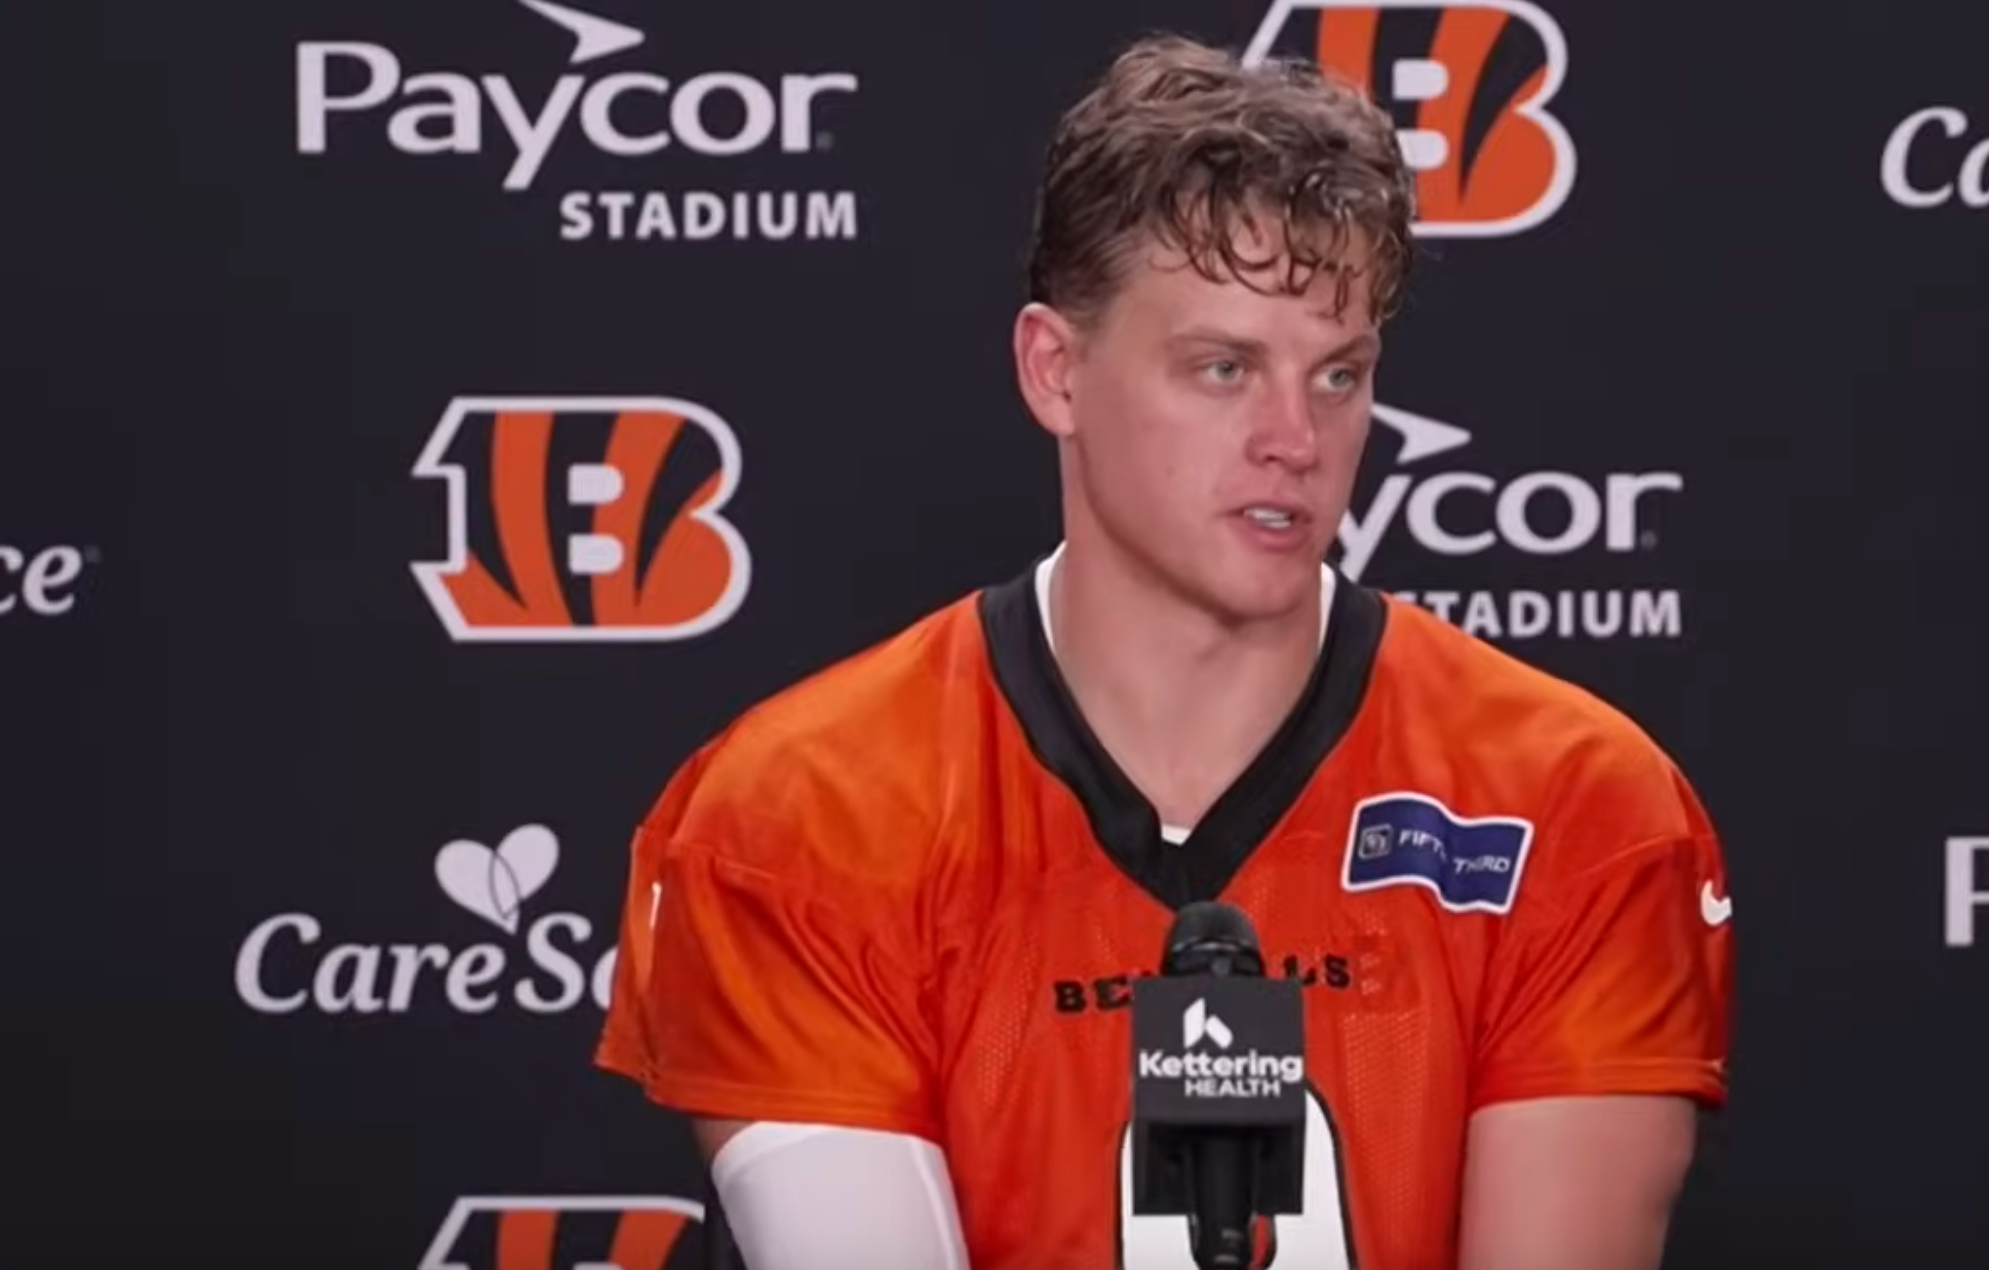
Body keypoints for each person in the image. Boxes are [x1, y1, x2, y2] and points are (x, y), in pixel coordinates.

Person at [594, 31, 1733, 1270]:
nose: (1293, 438)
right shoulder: (801, 811)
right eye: (1221, 367)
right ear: (1054, 371)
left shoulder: (1573, 802)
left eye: (1339, 375)